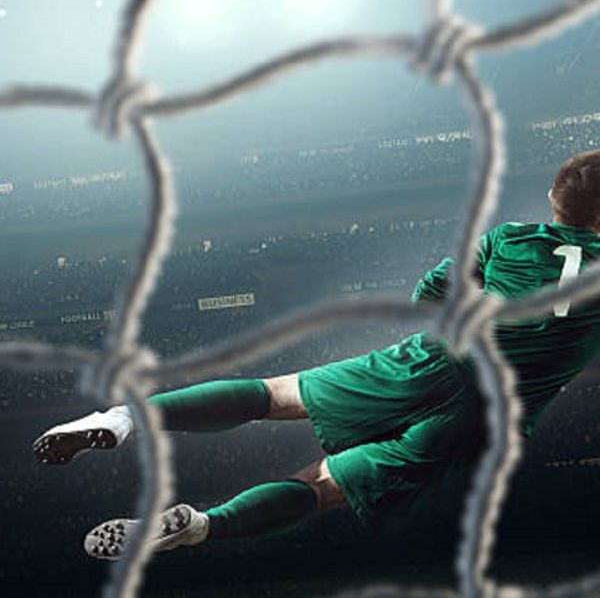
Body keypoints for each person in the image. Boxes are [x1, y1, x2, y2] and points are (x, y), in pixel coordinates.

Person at [33, 150, 600, 561]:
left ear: (554, 199)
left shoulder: (506, 238)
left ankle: (120, 418)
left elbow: (429, 293)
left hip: (436, 362)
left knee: (275, 395)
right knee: (324, 486)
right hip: (490, 416)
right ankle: (200, 526)